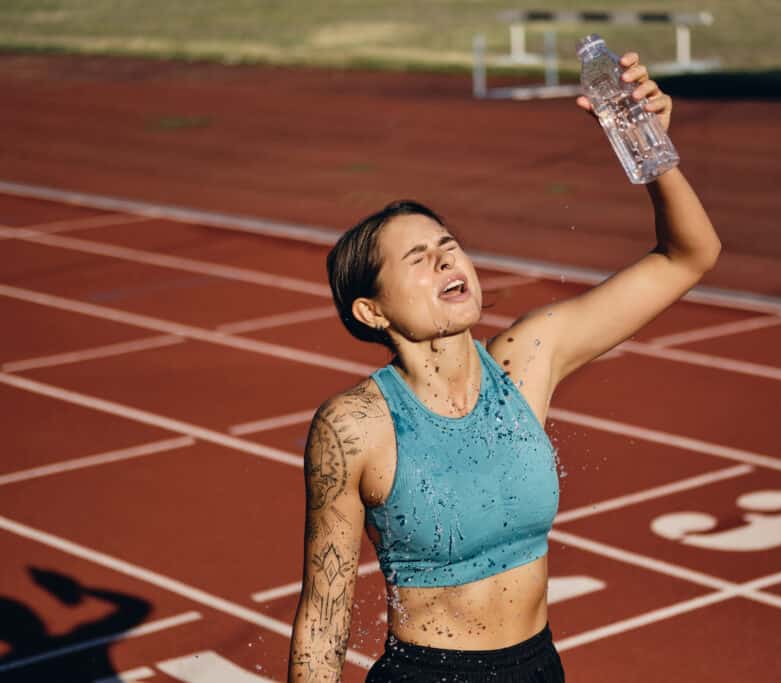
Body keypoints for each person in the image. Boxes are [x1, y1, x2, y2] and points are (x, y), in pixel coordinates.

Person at [288, 50, 721, 682]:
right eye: (417, 258)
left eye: (448, 246)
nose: (444, 261)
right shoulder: (355, 427)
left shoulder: (527, 359)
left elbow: (690, 256)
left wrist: (650, 147)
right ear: (371, 310)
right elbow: (324, 618)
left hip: (539, 668)